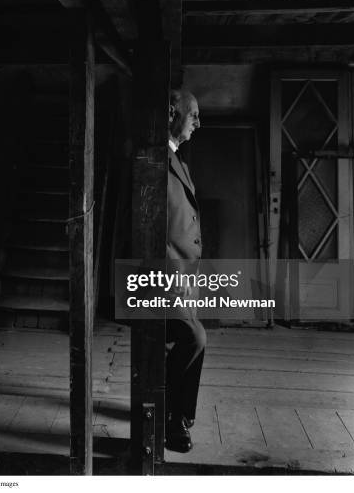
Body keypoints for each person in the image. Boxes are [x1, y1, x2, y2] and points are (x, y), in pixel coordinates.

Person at [165, 89, 206, 453]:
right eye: (192, 114)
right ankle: (168, 417)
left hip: (180, 278)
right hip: (159, 281)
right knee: (194, 338)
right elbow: (151, 232)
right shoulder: (154, 158)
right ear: (171, 113)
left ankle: (181, 411)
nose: (197, 121)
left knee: (198, 336)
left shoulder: (177, 160)